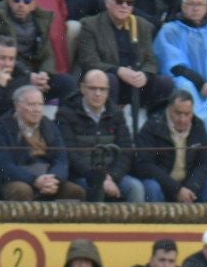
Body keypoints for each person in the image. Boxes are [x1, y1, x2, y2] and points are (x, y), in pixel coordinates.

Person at [0, 83, 86, 199]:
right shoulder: (1, 127)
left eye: (40, 104)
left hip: (48, 177)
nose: (37, 110)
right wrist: (34, 180)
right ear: (17, 106)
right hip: (18, 179)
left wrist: (53, 179)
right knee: (22, 191)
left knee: (76, 192)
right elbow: (3, 165)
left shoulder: (49, 125)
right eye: (31, 105)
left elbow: (61, 158)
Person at [62, 68, 145, 202]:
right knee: (91, 190)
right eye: (93, 88)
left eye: (102, 89)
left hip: (111, 176)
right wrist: (98, 179)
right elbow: (71, 155)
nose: (98, 93)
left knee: (135, 187)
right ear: (83, 88)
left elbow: (126, 151)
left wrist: (112, 177)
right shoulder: (66, 114)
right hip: (82, 176)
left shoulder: (116, 114)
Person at [133, 89, 207, 202]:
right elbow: (145, 165)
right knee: (151, 188)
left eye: (187, 114)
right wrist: (177, 189)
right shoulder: (152, 126)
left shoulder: (198, 126)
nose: (182, 119)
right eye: (178, 113)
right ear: (169, 109)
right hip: (162, 185)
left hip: (188, 185)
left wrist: (191, 187)